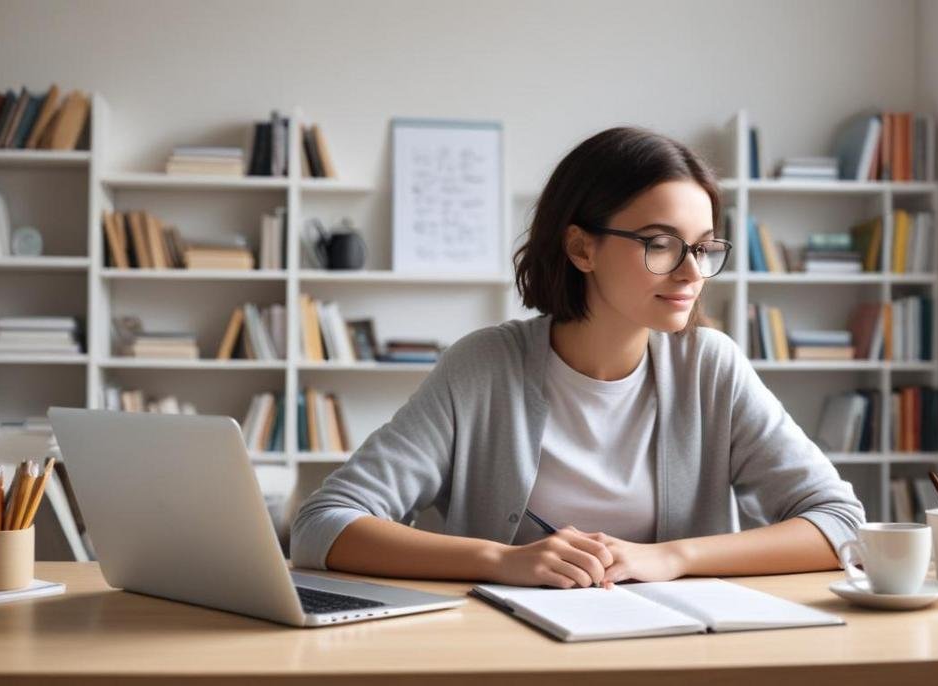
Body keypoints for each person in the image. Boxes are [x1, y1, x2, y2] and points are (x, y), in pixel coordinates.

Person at [291, 126, 865, 589]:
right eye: (660, 244)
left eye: (702, 247)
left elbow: (840, 522)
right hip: (512, 656)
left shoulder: (710, 367)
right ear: (581, 247)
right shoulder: (484, 367)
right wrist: (500, 560)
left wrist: (671, 557)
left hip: (678, 657)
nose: (692, 272)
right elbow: (323, 524)